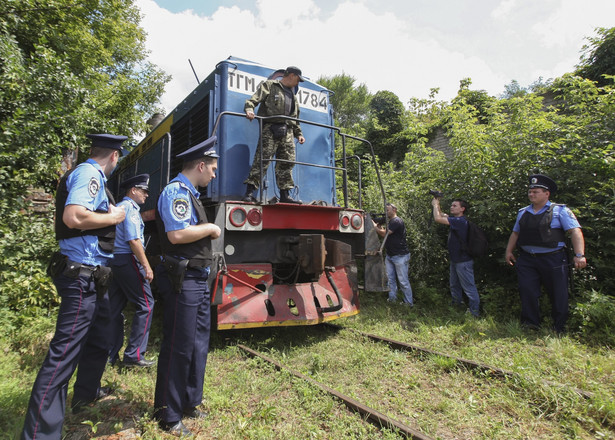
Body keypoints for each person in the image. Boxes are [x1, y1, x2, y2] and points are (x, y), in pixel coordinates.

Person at [22, 134, 128, 440]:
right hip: (81, 276)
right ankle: (40, 434)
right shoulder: (88, 174)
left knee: (101, 334)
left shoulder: (89, 174)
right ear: (114, 157)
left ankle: (86, 393)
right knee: (63, 354)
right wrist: (114, 215)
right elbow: (74, 216)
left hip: (94, 276)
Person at [153, 135, 221, 437]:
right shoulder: (176, 192)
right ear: (201, 165)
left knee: (197, 342)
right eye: (213, 169)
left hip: (197, 279)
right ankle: (167, 413)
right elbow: (177, 235)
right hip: (184, 281)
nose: (215, 174)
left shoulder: (191, 193)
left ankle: (190, 400)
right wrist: (210, 228)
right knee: (178, 345)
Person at [505, 174, 587, 333]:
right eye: (530, 192)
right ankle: (530, 324)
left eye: (536, 192)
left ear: (546, 194)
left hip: (553, 259)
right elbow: (515, 233)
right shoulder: (523, 212)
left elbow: (575, 231)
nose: (531, 194)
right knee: (527, 290)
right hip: (528, 259)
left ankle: (559, 327)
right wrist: (509, 251)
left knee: (558, 293)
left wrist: (579, 255)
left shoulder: (559, 211)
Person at [107, 174, 155, 368]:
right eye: (144, 191)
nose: (146, 195)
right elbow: (133, 240)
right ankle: (134, 356)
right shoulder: (131, 209)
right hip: (128, 259)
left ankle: (109, 355)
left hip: (115, 261)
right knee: (146, 305)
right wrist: (146, 265)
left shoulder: (120, 207)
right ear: (133, 190)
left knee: (114, 308)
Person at [242, 66, 306, 204]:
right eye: (298, 79)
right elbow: (253, 100)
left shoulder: (293, 97)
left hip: (288, 131)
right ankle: (249, 193)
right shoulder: (270, 86)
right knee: (262, 160)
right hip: (270, 128)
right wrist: (249, 109)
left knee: (287, 162)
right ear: (292, 75)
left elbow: (295, 118)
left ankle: (285, 195)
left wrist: (298, 134)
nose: (298, 83)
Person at [432, 197, 480, 317]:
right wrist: (436, 202)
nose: (451, 207)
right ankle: (456, 307)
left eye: (455, 206)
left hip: (463, 261)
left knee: (469, 287)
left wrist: (434, 206)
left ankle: (475, 313)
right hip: (455, 260)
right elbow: (442, 214)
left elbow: (438, 218)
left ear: (462, 209)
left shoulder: (460, 221)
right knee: (454, 285)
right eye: (451, 205)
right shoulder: (455, 219)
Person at [373, 203, 413, 305]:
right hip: (390, 255)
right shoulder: (391, 222)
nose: (386, 212)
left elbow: (384, 234)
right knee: (390, 280)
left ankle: (408, 303)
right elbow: (384, 233)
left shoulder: (396, 221)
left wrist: (375, 227)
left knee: (403, 281)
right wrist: (379, 225)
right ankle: (392, 300)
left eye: (388, 210)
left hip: (400, 255)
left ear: (394, 210)